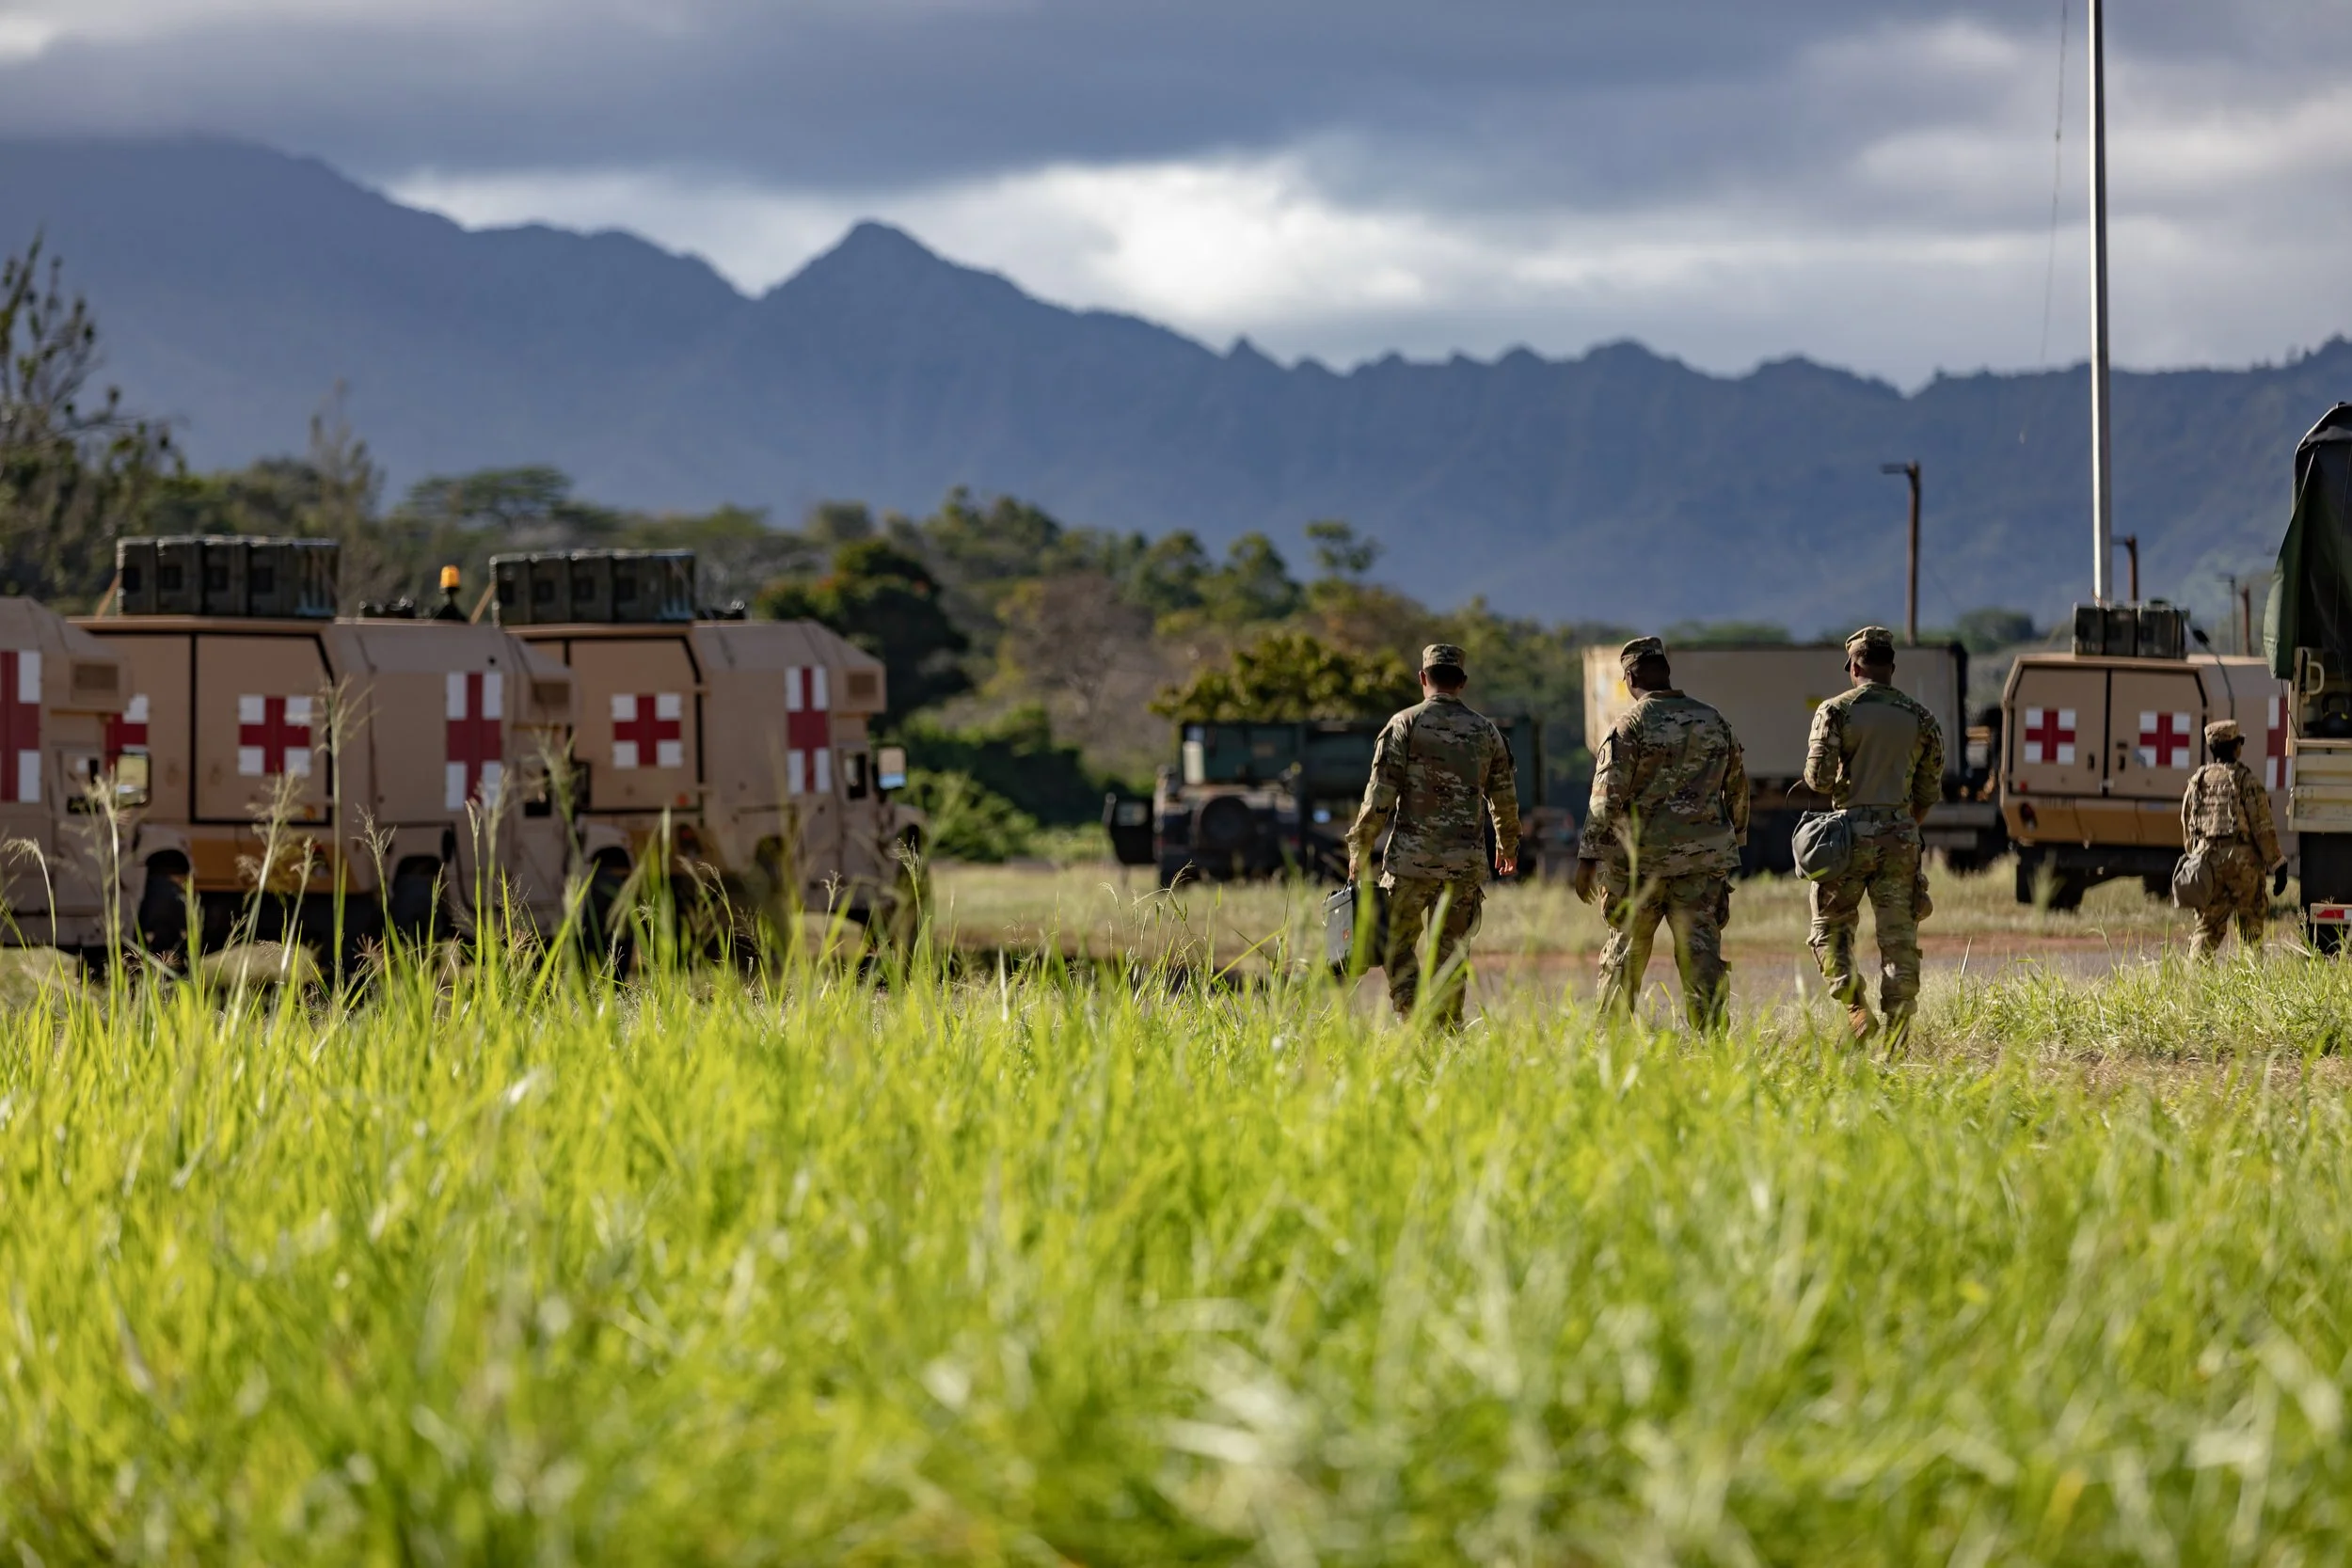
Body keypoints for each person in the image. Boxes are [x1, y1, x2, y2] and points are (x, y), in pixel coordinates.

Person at [1571, 637, 1747, 1027]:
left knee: (1624, 959)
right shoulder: (1713, 720)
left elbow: (1603, 802)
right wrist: (1735, 842)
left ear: (1631, 677)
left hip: (1640, 870)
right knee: (1702, 960)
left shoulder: (1629, 726)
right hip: (1700, 866)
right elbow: (1736, 787)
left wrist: (1588, 858)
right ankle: (1713, 1050)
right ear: (1666, 673)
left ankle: (1610, 1045)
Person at [1345, 643, 1520, 1024]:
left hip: (1410, 863)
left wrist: (1360, 845)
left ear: (1424, 678)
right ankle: (1443, 1030)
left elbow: (1380, 795)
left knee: (1393, 940)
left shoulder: (1404, 724)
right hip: (1464, 866)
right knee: (1452, 951)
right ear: (1462, 682)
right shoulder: (1486, 731)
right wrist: (1508, 845)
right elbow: (1505, 798)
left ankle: (1410, 1009)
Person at [1803, 626, 1944, 1040]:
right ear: (1892, 668)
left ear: (1854, 666)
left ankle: (1855, 1009)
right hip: (1900, 835)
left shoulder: (1835, 711)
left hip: (1846, 837)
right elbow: (1928, 791)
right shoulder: (1922, 718)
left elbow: (1819, 781)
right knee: (1899, 937)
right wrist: (1900, 825)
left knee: (1829, 929)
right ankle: (1899, 1033)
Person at [2180, 719, 2284, 958]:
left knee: (2206, 929)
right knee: (2250, 932)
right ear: (2236, 747)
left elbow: (2188, 824)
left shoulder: (2197, 781)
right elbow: (2263, 827)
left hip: (2207, 863)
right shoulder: (2247, 781)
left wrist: (2194, 857)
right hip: (2243, 866)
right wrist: (2277, 863)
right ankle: (2252, 984)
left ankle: (2194, 987)